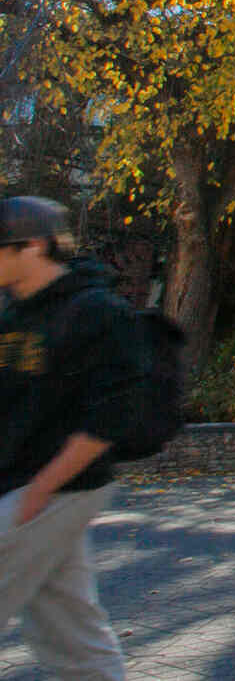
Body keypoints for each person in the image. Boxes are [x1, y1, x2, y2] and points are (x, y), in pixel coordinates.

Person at [0, 196, 146, 681]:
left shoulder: (96, 312)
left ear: (34, 246)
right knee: (71, 633)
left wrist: (41, 491)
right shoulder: (16, 314)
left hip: (57, 489)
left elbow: (112, 414)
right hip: (24, 487)